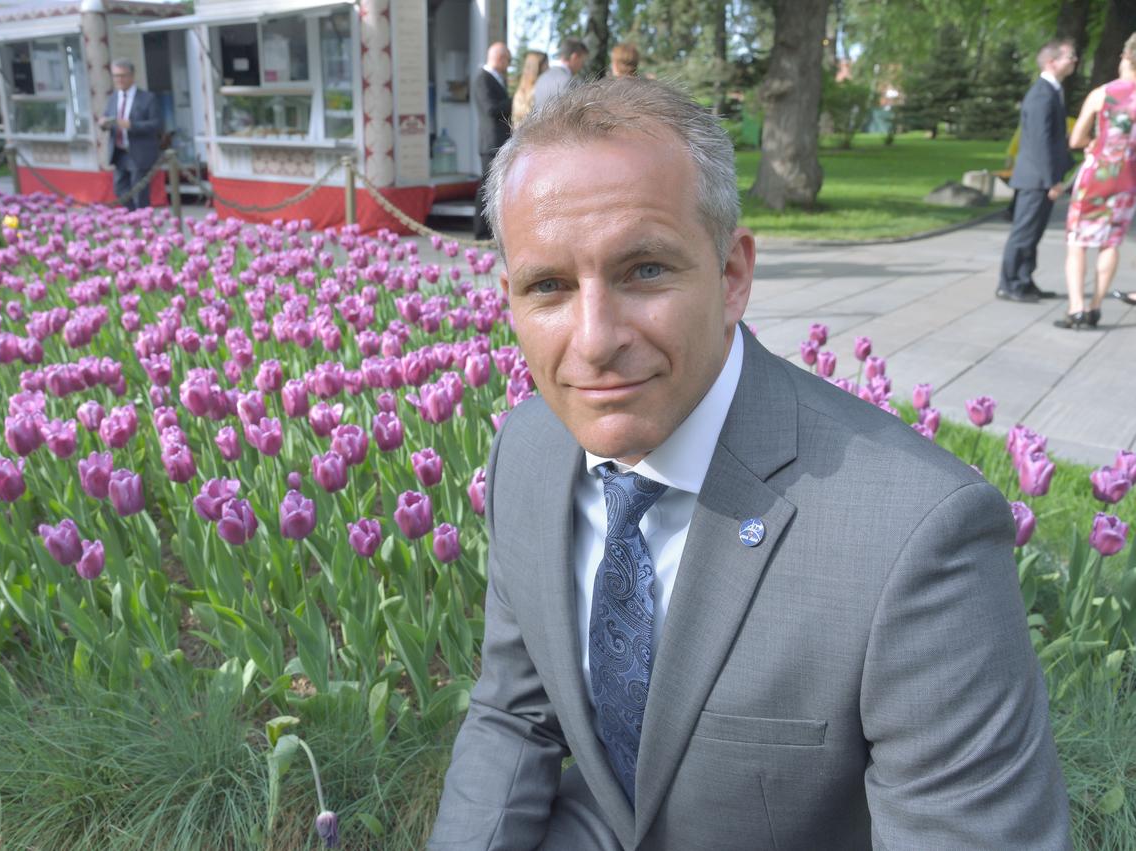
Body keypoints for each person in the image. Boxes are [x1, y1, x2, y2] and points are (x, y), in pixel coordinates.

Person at [430, 77, 1069, 850]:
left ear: (732, 275)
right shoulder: (527, 450)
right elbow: (514, 715)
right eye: (549, 287)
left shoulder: (917, 539)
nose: (593, 340)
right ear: (508, 299)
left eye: (644, 271)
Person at [1055, 32, 1136, 328]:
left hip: (1098, 176)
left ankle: (1076, 308)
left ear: (1125, 57)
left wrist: (1092, 141)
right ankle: (1096, 306)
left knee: (1078, 242)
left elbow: (1076, 139)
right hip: (1128, 178)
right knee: (1111, 243)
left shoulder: (1102, 94)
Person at [997, 39, 1078, 303]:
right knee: (1024, 233)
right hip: (1036, 179)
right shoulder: (1042, 94)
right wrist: (1051, 180)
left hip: (1038, 178)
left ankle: (1023, 281)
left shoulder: (1051, 91)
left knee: (1033, 233)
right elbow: (1040, 141)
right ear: (1051, 62)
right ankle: (1009, 285)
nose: (1074, 61)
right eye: (1070, 57)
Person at [98, 59, 162, 211]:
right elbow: (107, 117)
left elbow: (157, 125)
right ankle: (133, 218)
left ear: (132, 76)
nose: (118, 80)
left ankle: (143, 224)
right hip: (120, 152)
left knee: (140, 193)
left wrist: (132, 125)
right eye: (115, 76)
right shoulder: (114, 97)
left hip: (139, 152)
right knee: (120, 189)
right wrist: (104, 123)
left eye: (122, 76)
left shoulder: (147, 98)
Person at [473, 43, 512, 241]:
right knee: (486, 187)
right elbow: (490, 109)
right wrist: (515, 101)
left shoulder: (497, 79)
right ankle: (480, 233)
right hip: (490, 142)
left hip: (500, 141)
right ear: (499, 58)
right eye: (507, 59)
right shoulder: (483, 79)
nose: (508, 64)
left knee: (495, 186)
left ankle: (491, 230)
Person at [533, 39, 587, 108]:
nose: (582, 65)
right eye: (582, 61)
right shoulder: (570, 82)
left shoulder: (541, 78)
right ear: (574, 57)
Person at [511, 50, 548, 128]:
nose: (549, 67)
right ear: (539, 66)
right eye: (547, 64)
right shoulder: (539, 89)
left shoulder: (520, 91)